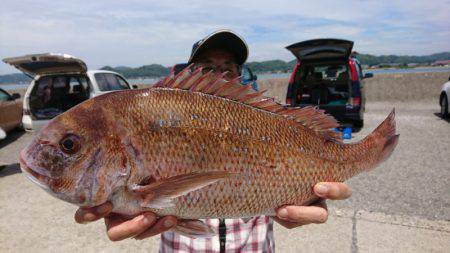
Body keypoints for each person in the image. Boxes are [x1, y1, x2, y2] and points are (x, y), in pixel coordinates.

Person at [74, 30, 352, 252]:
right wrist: (120, 202)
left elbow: (288, 176)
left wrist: (308, 194)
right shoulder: (162, 116)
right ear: (189, 74)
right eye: (207, 67)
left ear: (240, 75)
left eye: (228, 67)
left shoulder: (267, 121)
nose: (219, 75)